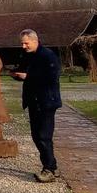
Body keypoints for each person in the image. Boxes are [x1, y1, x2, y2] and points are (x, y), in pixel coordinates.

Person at [11, 28, 61, 182]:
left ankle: (49, 169)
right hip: (34, 102)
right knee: (36, 136)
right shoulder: (27, 56)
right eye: (22, 43)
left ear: (35, 40)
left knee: (44, 136)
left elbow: (52, 77)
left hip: (46, 101)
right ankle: (51, 166)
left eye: (26, 43)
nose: (23, 46)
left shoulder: (48, 55)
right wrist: (17, 74)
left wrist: (28, 76)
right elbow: (25, 73)